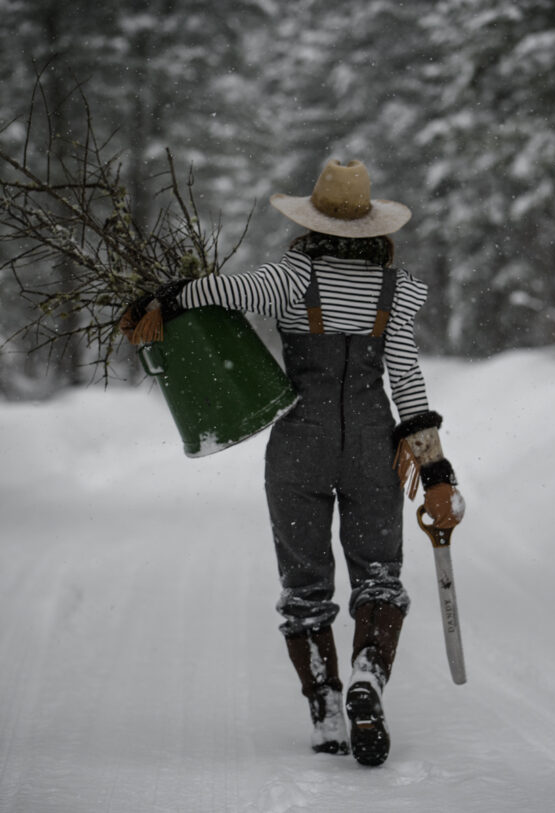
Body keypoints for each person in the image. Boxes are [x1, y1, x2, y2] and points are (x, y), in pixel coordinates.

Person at [124, 159, 465, 766]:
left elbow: (223, 290)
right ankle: (368, 675)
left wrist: (167, 297)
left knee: (304, 585)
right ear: (372, 226)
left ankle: (326, 707)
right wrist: (436, 471)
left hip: (299, 446)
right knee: (379, 575)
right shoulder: (394, 290)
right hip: (373, 447)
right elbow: (408, 383)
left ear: (314, 221)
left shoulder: (291, 276)